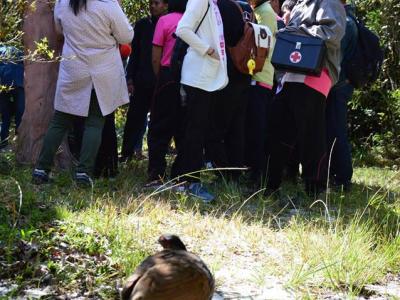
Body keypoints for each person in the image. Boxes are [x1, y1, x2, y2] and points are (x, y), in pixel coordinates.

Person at [32, 0, 133, 185]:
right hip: (103, 69)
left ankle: (41, 169)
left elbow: (60, 31)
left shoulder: (63, 3)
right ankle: (84, 173)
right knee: (95, 122)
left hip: (73, 67)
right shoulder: (108, 5)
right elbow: (126, 36)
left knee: (60, 120)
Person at [266, 0, 346, 197]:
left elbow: (333, 33)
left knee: (311, 136)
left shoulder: (329, 2)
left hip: (316, 75)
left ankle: (315, 192)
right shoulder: (300, 4)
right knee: (279, 131)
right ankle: (270, 185)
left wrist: (298, 31)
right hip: (291, 73)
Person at [175, 0, 228, 202]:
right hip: (198, 75)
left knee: (197, 131)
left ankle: (184, 178)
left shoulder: (212, 3)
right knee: (195, 132)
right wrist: (207, 50)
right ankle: (191, 182)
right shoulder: (200, 1)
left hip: (207, 77)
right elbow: (183, 29)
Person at [204, 0, 253, 181]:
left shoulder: (220, 7)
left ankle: (223, 173)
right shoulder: (247, 8)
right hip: (245, 72)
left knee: (214, 128)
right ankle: (235, 172)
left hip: (226, 74)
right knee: (237, 128)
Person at [145, 0, 187, 188]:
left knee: (159, 126)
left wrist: (160, 77)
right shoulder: (193, 21)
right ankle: (182, 175)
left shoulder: (164, 21)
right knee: (184, 128)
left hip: (167, 76)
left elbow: (156, 56)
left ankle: (156, 174)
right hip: (190, 78)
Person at [121, 0, 168, 162]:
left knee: (159, 120)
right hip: (142, 80)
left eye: (157, 3)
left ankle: (156, 155)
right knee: (134, 117)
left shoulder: (170, 23)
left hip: (162, 81)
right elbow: (134, 54)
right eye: (151, 3)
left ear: (165, 5)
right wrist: (130, 78)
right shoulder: (142, 25)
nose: (153, 6)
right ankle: (127, 153)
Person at [326, 0, 358, 191]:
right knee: (335, 128)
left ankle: (343, 177)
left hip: (338, 84)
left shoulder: (345, 21)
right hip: (343, 83)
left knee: (336, 130)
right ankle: (337, 174)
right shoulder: (350, 19)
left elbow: (337, 56)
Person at [244, 0, 277, 187]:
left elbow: (262, 47)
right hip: (257, 77)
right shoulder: (258, 11)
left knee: (257, 130)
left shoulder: (265, 13)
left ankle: (257, 175)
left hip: (260, 77)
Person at [0, 46, 25, 150]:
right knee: (19, 112)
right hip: (17, 84)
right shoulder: (20, 51)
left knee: (6, 115)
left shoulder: (2, 50)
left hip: (4, 85)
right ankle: (18, 142)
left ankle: (5, 142)